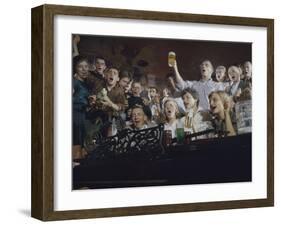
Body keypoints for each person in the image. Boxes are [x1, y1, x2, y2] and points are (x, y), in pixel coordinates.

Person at [72, 56, 90, 159]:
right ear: (75, 68)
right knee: (76, 141)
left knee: (81, 143)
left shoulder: (85, 84)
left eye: (86, 66)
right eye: (80, 67)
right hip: (75, 115)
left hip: (82, 116)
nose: (84, 69)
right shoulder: (73, 82)